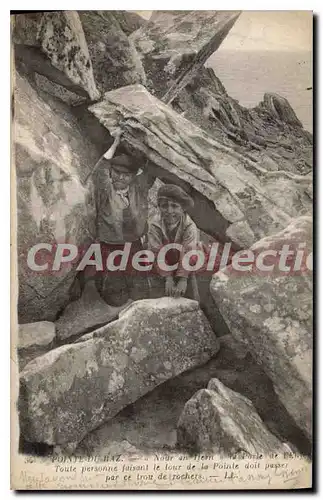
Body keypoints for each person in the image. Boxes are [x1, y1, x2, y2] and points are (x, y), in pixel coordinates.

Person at [92, 130, 154, 306]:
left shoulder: (138, 188)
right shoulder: (105, 190)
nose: (120, 177)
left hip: (134, 243)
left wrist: (146, 145)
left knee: (140, 287)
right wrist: (115, 143)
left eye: (126, 174)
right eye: (117, 172)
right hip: (110, 245)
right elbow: (101, 169)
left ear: (133, 176)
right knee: (113, 290)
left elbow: (152, 170)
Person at [148, 184, 200, 300]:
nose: (169, 211)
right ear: (159, 207)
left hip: (185, 263)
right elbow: (156, 251)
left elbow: (188, 251)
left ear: (183, 208)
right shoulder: (154, 224)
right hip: (160, 265)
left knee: (192, 298)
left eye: (175, 206)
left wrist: (183, 278)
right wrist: (168, 277)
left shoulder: (189, 225)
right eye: (164, 206)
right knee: (159, 299)